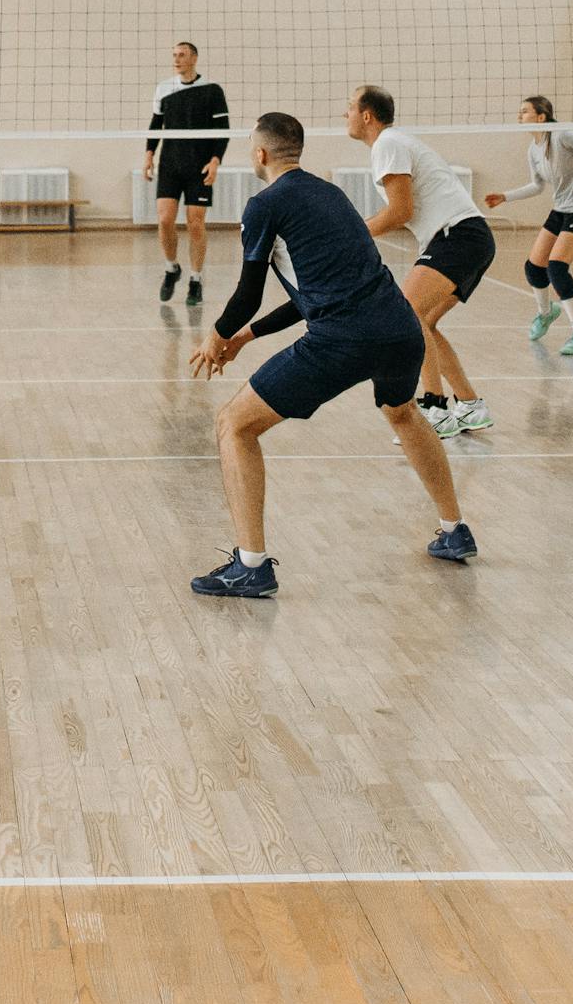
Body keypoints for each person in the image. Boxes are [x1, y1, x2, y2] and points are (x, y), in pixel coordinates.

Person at [186, 112, 475, 594]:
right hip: (400, 328)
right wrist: (244, 338)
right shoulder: (331, 195)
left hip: (343, 338)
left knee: (234, 425)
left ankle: (251, 564)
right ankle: (454, 529)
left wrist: (216, 337)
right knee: (404, 413)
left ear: (260, 154)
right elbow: (307, 296)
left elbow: (247, 294)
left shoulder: (263, 206)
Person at [351, 84, 498, 438]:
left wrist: (353, 235)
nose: (346, 114)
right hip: (468, 237)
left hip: (458, 235)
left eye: (350, 107)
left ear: (367, 116)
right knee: (424, 322)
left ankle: (435, 407)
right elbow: (399, 210)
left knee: (407, 313)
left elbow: (400, 211)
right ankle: (470, 405)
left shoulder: (387, 143)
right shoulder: (393, 143)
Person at [484, 95, 573, 357]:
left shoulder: (563, 135)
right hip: (562, 208)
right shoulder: (533, 149)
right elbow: (537, 186)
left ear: (541, 117)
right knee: (534, 267)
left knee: (557, 267)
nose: (519, 116)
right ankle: (546, 312)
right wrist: (506, 196)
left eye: (525, 111)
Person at [143, 41, 229, 306]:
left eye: (182, 55)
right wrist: (149, 154)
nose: (177, 59)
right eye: (174, 55)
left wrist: (215, 161)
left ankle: (195, 279)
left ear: (194, 58)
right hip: (170, 165)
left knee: (195, 223)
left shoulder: (212, 90)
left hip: (199, 167)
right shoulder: (164, 88)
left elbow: (223, 130)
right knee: (165, 219)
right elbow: (156, 125)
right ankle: (172, 268)